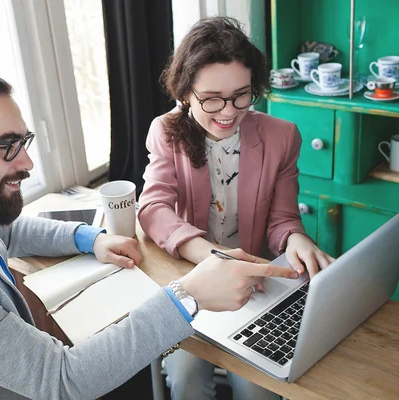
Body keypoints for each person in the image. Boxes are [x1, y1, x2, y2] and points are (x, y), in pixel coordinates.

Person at [0, 68, 299, 400]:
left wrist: (88, 238)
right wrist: (186, 295)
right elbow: (65, 381)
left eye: (24, 140)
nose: (26, 162)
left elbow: (2, 228)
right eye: (7, 146)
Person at [138, 16, 335, 400]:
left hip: (254, 283)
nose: (228, 111)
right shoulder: (166, 131)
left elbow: (282, 220)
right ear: (185, 93)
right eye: (211, 99)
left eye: (241, 95)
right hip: (190, 278)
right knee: (186, 378)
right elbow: (153, 208)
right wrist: (214, 256)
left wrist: (295, 238)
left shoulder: (282, 136)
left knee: (259, 388)